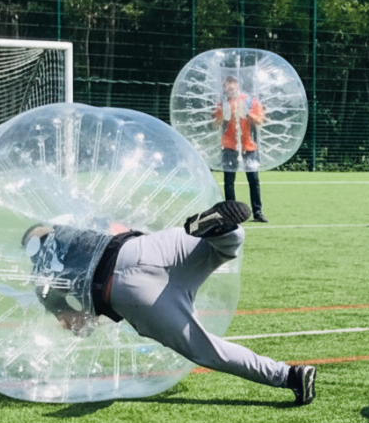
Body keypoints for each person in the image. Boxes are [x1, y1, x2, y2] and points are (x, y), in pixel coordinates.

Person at [21, 201, 315, 405]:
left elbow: (80, 326)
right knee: (225, 246)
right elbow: (124, 224)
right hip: (152, 248)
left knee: (207, 349)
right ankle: (221, 230)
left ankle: (290, 376)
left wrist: (91, 314)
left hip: (131, 294)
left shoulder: (44, 283)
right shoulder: (78, 225)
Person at [215, 75, 268, 223]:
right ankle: (231, 213)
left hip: (249, 146)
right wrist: (222, 114)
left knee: (253, 179)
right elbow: (215, 124)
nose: (230, 89)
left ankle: (257, 212)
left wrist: (248, 114)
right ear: (225, 88)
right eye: (227, 86)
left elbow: (259, 120)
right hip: (229, 145)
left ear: (238, 85)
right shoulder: (223, 103)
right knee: (229, 180)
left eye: (233, 85)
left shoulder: (250, 101)